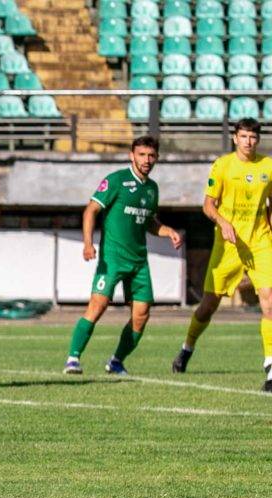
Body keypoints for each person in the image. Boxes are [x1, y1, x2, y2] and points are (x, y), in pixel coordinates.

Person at [64, 136, 182, 375]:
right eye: (141, 154)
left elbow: (148, 222)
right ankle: (73, 358)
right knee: (98, 305)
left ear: (156, 158)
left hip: (139, 261)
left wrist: (166, 230)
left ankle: (116, 361)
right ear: (132, 155)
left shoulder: (152, 188)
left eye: (151, 155)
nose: (146, 160)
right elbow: (90, 210)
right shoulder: (116, 181)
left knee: (142, 314)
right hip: (113, 258)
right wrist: (88, 244)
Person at [171, 118, 272, 391]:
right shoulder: (223, 165)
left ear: (258, 140)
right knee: (209, 304)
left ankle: (271, 367)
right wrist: (222, 222)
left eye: (253, 137)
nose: (248, 141)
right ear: (235, 138)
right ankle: (187, 348)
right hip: (227, 245)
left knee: (269, 299)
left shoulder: (268, 166)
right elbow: (207, 205)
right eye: (244, 136)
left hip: (260, 243)